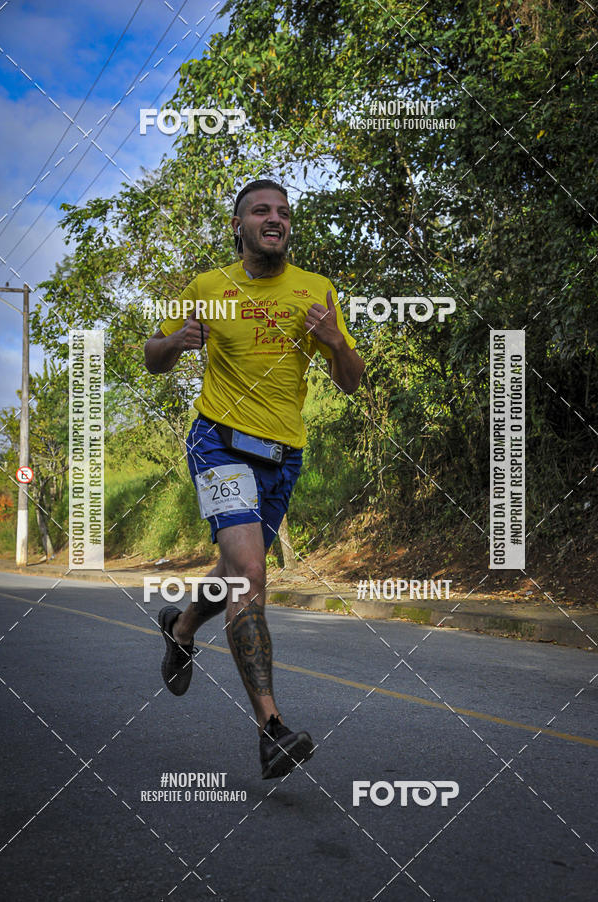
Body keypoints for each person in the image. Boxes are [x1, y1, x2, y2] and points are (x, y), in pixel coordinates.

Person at [144, 179, 364, 779]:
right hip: (218, 441)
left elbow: (351, 380)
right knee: (250, 571)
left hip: (282, 455)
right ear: (237, 226)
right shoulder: (207, 288)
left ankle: (183, 625)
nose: (276, 219)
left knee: (234, 572)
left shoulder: (315, 291)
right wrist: (175, 342)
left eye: (284, 213)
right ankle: (272, 729)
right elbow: (152, 355)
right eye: (261, 211)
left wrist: (335, 340)